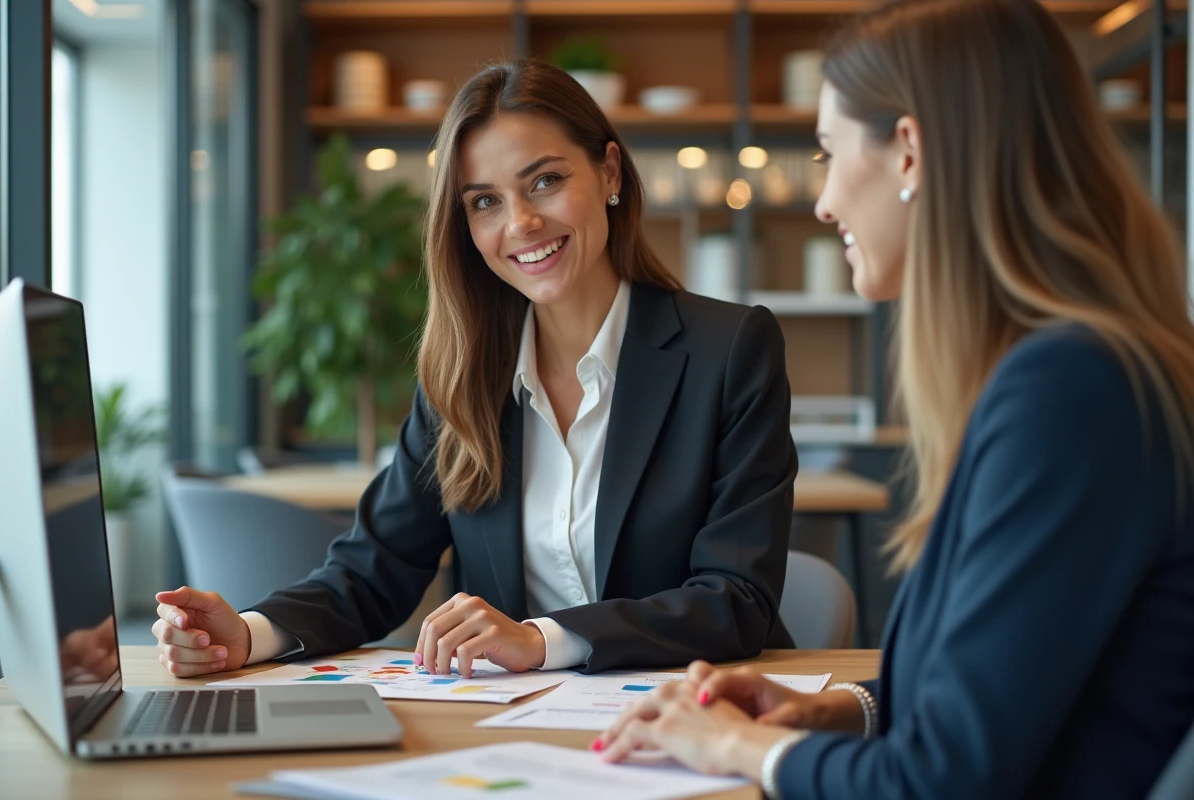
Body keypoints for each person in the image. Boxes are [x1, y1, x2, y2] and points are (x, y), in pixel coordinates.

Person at [595, 1, 1194, 797]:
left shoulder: (1069, 390)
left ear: (909, 152)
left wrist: (736, 748)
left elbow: (946, 780)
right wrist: (842, 710)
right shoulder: (1075, 368)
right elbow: (1011, 688)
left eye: (829, 153)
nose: (823, 202)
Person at [151, 60, 798, 680]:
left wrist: (540, 640)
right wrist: (249, 634)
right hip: (520, 723)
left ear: (609, 172)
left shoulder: (728, 349)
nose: (521, 223)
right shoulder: (463, 376)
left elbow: (736, 599)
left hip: (694, 710)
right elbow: (374, 570)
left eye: (545, 180)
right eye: (485, 201)